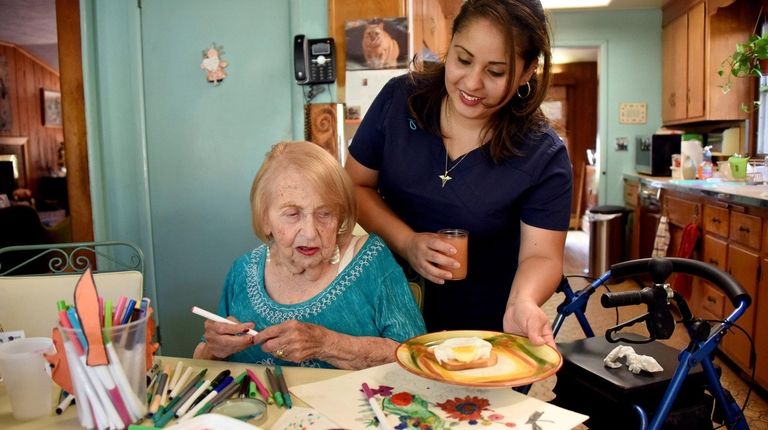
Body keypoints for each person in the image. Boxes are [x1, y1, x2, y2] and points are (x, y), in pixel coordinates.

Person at [345, 0, 571, 348]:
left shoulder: (543, 152)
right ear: (450, 47)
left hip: (484, 330)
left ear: (527, 73)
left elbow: (541, 255)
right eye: (463, 59)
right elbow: (355, 185)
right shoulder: (400, 98)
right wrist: (407, 242)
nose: (472, 83)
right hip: (386, 313)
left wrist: (523, 301)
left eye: (495, 72)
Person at [193, 141, 425, 369]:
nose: (311, 232)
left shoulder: (371, 260)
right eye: (292, 214)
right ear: (265, 220)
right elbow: (202, 362)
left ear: (340, 217)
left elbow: (416, 355)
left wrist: (327, 344)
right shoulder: (243, 271)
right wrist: (213, 349)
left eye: (325, 213)